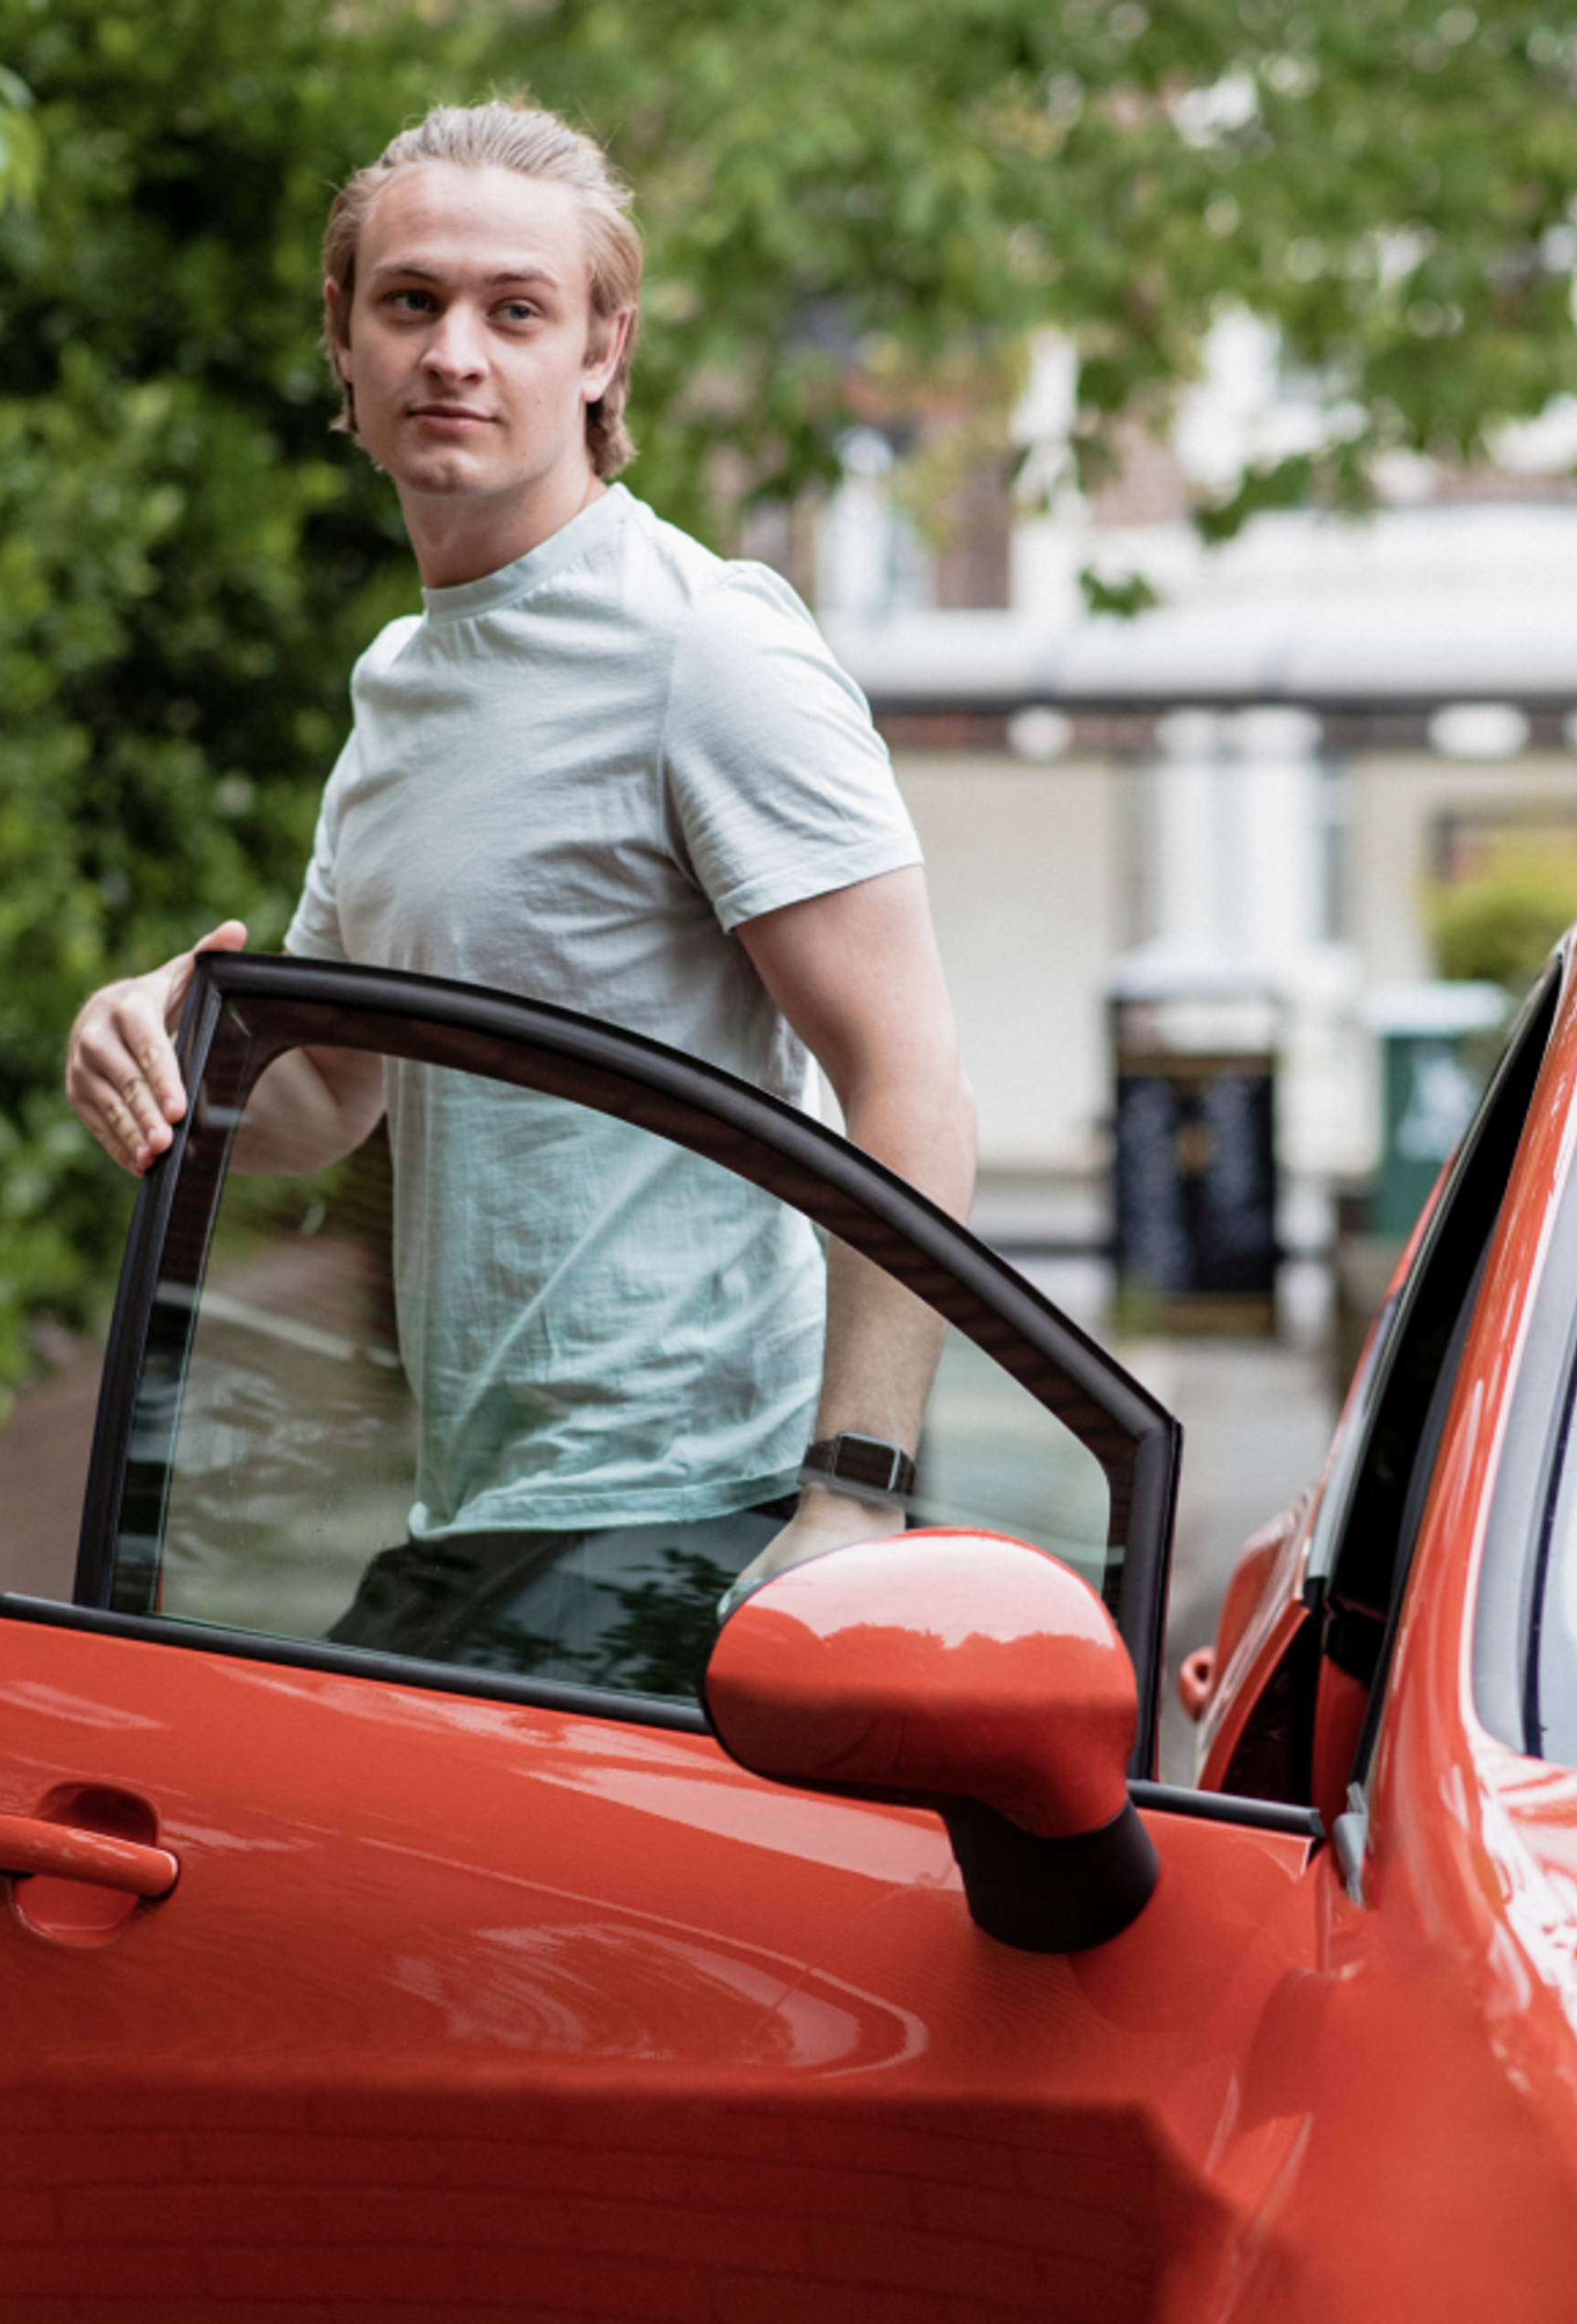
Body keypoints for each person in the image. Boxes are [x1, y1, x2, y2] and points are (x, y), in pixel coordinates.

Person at [60, 101, 975, 1676]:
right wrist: (161, 1039)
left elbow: (911, 1079)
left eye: (515, 310)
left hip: (695, 1520)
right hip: (482, 1512)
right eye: (409, 301)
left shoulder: (709, 644)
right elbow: (332, 1097)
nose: (454, 353)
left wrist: (852, 1499)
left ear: (602, 353)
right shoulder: (402, 687)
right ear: (342, 347)